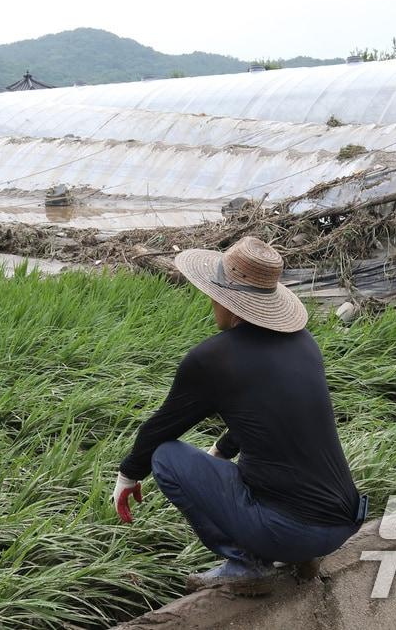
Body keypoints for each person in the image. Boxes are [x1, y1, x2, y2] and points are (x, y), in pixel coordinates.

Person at [112, 236, 368, 595]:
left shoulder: (213, 359)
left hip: (291, 531)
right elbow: (269, 412)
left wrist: (128, 474)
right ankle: (299, 555)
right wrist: (222, 450)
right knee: (261, 469)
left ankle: (248, 564)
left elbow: (161, 428)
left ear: (227, 301)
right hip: (344, 521)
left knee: (166, 457)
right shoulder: (303, 344)